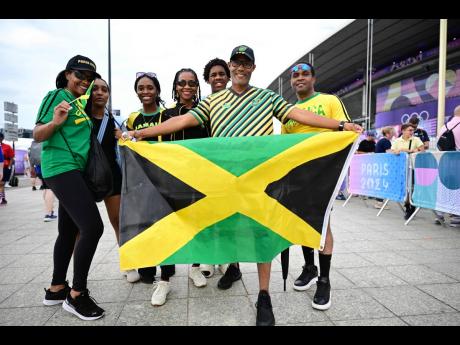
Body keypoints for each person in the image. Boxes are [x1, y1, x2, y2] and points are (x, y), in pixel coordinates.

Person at [120, 45, 362, 326]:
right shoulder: (213, 101)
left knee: (262, 235)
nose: (240, 68)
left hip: (258, 182)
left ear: (253, 68)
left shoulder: (267, 97)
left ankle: (263, 296)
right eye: (236, 63)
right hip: (223, 182)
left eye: (246, 64)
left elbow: (298, 115)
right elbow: (180, 121)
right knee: (228, 230)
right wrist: (138, 133)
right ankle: (228, 269)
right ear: (231, 66)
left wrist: (340, 125)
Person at [34, 55, 105, 320]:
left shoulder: (80, 104)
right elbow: (38, 133)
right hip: (61, 167)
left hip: (72, 170)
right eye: (79, 76)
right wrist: (55, 123)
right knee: (93, 227)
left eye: (89, 79)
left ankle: (56, 288)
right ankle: (77, 295)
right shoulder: (57, 96)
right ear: (67, 74)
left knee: (68, 230)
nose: (84, 82)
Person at [281, 61, 351, 311]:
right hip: (299, 177)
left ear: (314, 78)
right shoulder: (288, 112)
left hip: (323, 173)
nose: (299, 78)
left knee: (322, 225)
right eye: (295, 75)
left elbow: (346, 132)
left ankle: (324, 280)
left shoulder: (330, 101)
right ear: (291, 81)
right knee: (303, 223)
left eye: (304, 74)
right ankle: (309, 268)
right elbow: (285, 147)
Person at [120, 72, 176, 306]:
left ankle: (166, 274)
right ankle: (147, 263)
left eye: (150, 87)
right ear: (136, 91)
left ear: (157, 90)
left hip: (162, 179)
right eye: (141, 88)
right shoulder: (133, 118)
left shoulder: (167, 114)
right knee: (144, 225)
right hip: (140, 181)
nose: (145, 92)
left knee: (164, 226)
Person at [84, 77, 140, 283]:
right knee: (81, 227)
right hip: (85, 176)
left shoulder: (115, 122)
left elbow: (130, 145)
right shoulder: (82, 119)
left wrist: (123, 137)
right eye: (95, 89)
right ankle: (79, 270)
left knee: (119, 221)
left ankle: (128, 262)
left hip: (112, 177)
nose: (100, 92)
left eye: (104, 89)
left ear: (108, 94)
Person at [162, 68, 210, 289]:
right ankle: (163, 281)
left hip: (199, 178)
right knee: (170, 227)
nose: (187, 87)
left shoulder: (206, 111)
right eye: (182, 83)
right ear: (175, 86)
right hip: (173, 178)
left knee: (197, 224)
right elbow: (160, 148)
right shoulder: (168, 114)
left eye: (192, 83)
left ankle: (195, 267)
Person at [200, 58, 231, 278]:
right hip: (206, 167)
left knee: (228, 216)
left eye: (222, 73)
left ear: (228, 76)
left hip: (229, 168)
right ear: (207, 79)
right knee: (208, 215)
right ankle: (209, 259)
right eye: (213, 75)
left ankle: (226, 258)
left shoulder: (238, 100)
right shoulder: (204, 104)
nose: (218, 77)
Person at [391, 123, 425, 220]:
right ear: (403, 131)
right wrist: (402, 150)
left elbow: (422, 151)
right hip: (401, 168)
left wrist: (414, 150)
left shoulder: (416, 139)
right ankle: (407, 206)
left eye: (412, 130)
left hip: (413, 167)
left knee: (412, 187)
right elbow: (392, 151)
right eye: (409, 130)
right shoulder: (397, 141)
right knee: (404, 187)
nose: (412, 132)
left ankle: (411, 207)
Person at [435, 105, 460, 226]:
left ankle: (439, 214)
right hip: (457, 161)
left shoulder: (444, 127)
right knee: (457, 189)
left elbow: (438, 145)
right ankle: (456, 218)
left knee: (445, 188)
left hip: (444, 161)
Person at [374, 126, 395, 209]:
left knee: (381, 182)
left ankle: (379, 202)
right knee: (382, 183)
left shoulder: (382, 141)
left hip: (380, 164)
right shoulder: (386, 141)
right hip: (383, 165)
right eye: (392, 133)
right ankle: (379, 202)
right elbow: (389, 153)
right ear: (387, 134)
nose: (393, 134)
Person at [0, 132, 15, 205]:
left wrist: (9, 166)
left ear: (2, 138)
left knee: (1, 183)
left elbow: (11, 157)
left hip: (5, 167)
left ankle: (2, 199)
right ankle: (3, 198)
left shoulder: (7, 147)